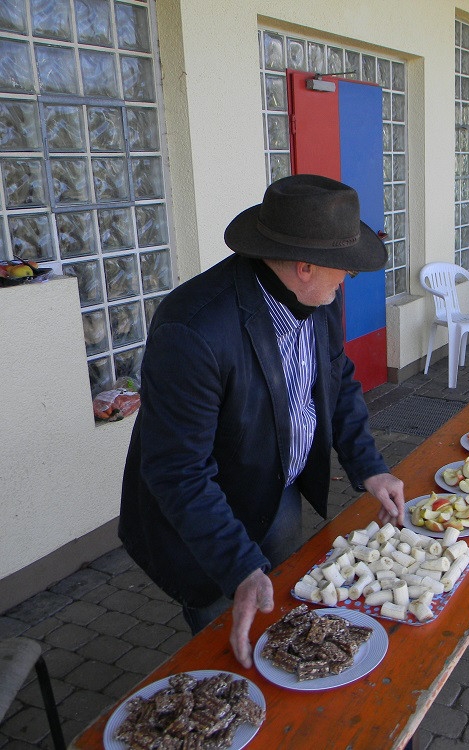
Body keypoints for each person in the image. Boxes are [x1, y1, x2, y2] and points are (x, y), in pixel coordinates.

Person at [119, 174, 406, 666]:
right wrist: (240, 567)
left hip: (277, 491)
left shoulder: (319, 296)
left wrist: (370, 467)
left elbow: (337, 380)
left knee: (287, 617)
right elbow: (178, 472)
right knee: (232, 644)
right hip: (208, 520)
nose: (347, 279)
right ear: (304, 267)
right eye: (345, 269)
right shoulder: (192, 329)